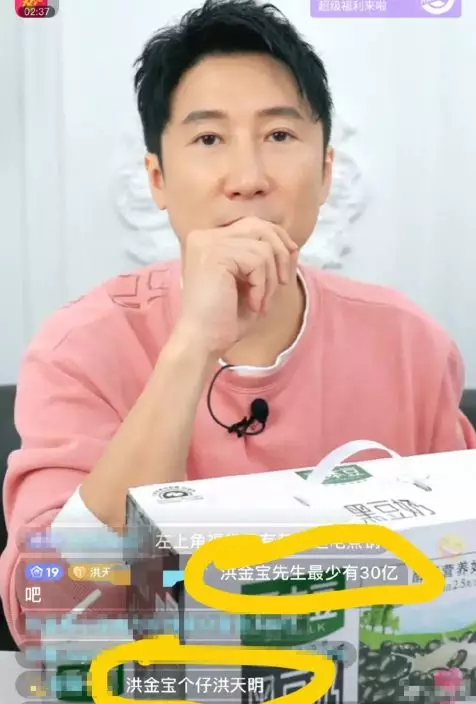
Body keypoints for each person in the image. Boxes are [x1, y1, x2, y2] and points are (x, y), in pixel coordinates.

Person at [1, 0, 475, 646]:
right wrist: (193, 346)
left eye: (279, 136)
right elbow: (49, 614)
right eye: (209, 139)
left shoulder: (410, 345)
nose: (248, 179)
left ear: (326, 171)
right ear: (158, 179)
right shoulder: (77, 350)